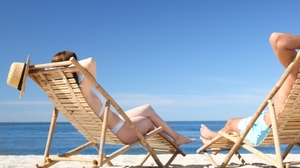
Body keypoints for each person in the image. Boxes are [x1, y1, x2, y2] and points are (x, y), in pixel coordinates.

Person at [52, 51, 194, 146]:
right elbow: (90, 62)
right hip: (121, 131)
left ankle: (175, 138)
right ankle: (175, 139)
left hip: (114, 123)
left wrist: (60, 69)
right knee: (149, 120)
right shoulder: (83, 89)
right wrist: (71, 66)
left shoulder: (68, 92)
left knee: (147, 108)